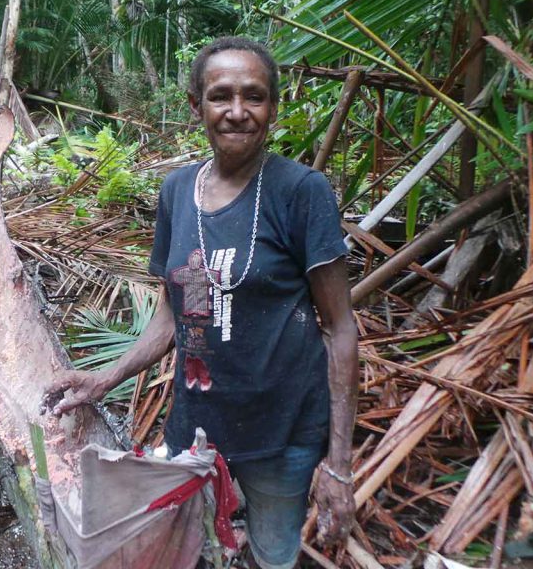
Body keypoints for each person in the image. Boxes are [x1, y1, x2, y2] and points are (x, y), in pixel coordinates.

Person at [43, 36, 359, 569]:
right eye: (221, 96)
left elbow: (340, 327)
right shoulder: (176, 191)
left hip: (283, 431)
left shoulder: (300, 191)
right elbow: (171, 315)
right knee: (187, 544)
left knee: (273, 553)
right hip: (198, 424)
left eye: (254, 96)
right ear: (197, 106)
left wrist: (340, 466)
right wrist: (102, 379)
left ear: (273, 107)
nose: (238, 112)